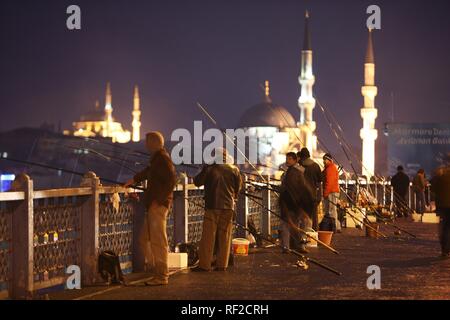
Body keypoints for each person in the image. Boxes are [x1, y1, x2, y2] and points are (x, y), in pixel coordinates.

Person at [124, 131, 176, 286]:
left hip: (158, 206)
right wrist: (133, 180)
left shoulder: (163, 159)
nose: (145, 145)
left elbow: (171, 181)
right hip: (154, 205)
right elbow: (148, 172)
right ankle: (154, 269)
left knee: (158, 241)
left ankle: (161, 275)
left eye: (147, 142)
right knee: (144, 239)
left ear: (152, 143)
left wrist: (159, 201)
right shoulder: (157, 159)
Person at [193, 148, 243, 272]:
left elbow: (197, 182)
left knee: (208, 236)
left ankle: (204, 265)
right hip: (228, 207)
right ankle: (222, 264)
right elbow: (238, 187)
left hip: (212, 206)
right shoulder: (234, 169)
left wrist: (205, 168)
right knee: (225, 236)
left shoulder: (210, 168)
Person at [279, 152, 315, 253]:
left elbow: (289, 189)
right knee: (295, 224)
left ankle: (288, 246)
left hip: (292, 203)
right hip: (295, 204)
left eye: (290, 159)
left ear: (295, 160)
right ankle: (297, 245)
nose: (287, 161)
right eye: (287, 159)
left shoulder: (292, 173)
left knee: (288, 225)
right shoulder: (294, 172)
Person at [297, 148, 322, 231]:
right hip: (314, 194)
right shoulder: (315, 166)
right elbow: (320, 180)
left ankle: (303, 234)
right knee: (313, 216)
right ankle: (314, 234)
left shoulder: (300, 167)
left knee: (302, 216)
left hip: (303, 195)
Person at [430, 165, 450, 259]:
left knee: (444, 228)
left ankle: (444, 250)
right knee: (447, 228)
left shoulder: (440, 179)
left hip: (442, 207)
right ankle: (447, 249)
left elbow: (433, 190)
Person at [322, 153, 341, 232]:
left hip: (331, 192)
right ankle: (336, 226)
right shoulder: (328, 168)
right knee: (332, 210)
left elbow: (329, 182)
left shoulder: (331, 168)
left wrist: (325, 193)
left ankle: (335, 227)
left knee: (331, 211)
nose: (324, 161)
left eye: (325, 160)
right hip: (331, 191)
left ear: (329, 160)